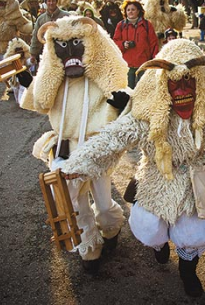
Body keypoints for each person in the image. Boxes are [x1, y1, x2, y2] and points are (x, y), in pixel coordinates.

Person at [61, 39, 205, 297]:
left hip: (193, 182)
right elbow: (112, 138)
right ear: (162, 84)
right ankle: (159, 245)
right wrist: (80, 164)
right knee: (148, 227)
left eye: (189, 81)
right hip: (156, 179)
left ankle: (187, 270)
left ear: (201, 82)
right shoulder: (146, 119)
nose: (183, 89)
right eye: (175, 82)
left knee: (194, 233)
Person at [20, 16, 129, 274]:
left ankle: (111, 227)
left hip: (96, 148)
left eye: (77, 43)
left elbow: (123, 102)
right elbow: (41, 101)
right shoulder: (58, 80)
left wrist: (123, 105)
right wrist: (29, 84)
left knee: (103, 201)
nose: (69, 51)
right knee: (76, 202)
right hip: (67, 148)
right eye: (62, 45)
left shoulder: (101, 78)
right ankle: (89, 247)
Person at [113, 0, 158, 88]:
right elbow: (115, 42)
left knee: (143, 89)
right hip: (127, 65)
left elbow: (153, 43)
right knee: (129, 90)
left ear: (138, 11)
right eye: (128, 10)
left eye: (133, 9)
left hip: (143, 64)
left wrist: (155, 61)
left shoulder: (146, 25)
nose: (130, 12)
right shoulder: (120, 25)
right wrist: (123, 44)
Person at [29, 0, 70, 65]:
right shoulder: (41, 19)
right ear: (46, 2)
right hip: (47, 53)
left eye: (53, 1)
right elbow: (36, 36)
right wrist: (33, 54)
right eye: (49, 1)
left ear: (56, 2)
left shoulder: (66, 16)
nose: (51, 3)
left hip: (65, 52)